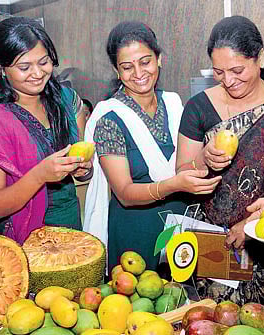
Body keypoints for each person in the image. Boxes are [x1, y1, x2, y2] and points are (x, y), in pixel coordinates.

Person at [176, 16, 264, 334]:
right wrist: (204, 160)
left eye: (237, 70)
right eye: (219, 72)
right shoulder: (199, 107)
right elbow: (183, 174)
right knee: (211, 324)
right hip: (214, 247)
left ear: (260, 58)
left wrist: (253, 223)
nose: (228, 80)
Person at [83, 21, 221, 273]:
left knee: (190, 305)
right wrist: (174, 185)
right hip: (136, 232)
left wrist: (206, 156)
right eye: (127, 67)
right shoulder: (109, 119)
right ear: (116, 71)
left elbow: (185, 165)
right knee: (142, 305)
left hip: (182, 225)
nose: (138, 73)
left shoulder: (175, 104)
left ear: (160, 59)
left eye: (145, 62)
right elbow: (124, 192)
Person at [0, 17, 91, 244]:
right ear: (1, 69)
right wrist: (40, 175)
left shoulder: (68, 101)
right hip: (24, 240)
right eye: (24, 67)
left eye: (44, 62)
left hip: (72, 229)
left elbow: (83, 171)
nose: (37, 73)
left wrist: (83, 170)